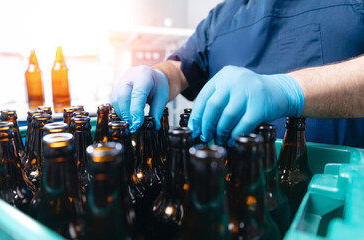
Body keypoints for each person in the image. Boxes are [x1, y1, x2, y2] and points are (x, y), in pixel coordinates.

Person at [111, 0, 364, 147]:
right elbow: (180, 68)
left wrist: (290, 90)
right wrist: (158, 76)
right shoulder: (222, 16)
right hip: (229, 179)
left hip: (331, 189)